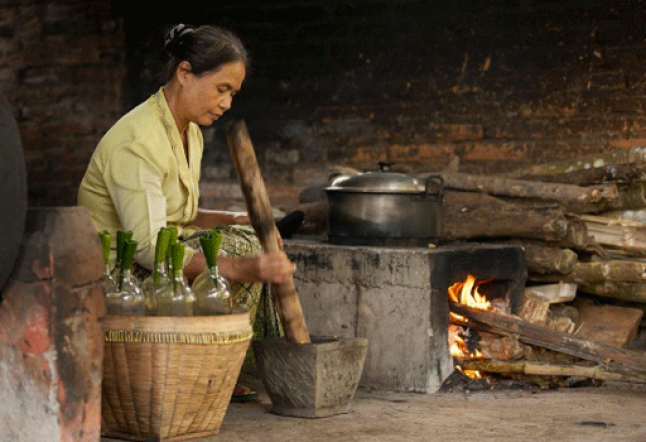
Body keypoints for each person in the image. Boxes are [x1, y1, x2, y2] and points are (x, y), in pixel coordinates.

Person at [77, 23, 295, 401]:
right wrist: (244, 268)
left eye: (233, 93)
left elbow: (181, 213)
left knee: (250, 236)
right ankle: (202, 374)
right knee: (243, 254)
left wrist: (236, 219)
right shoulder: (137, 141)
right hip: (117, 276)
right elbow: (147, 246)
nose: (227, 103)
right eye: (221, 89)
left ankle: (218, 370)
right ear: (184, 73)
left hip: (157, 257)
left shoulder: (188, 130)